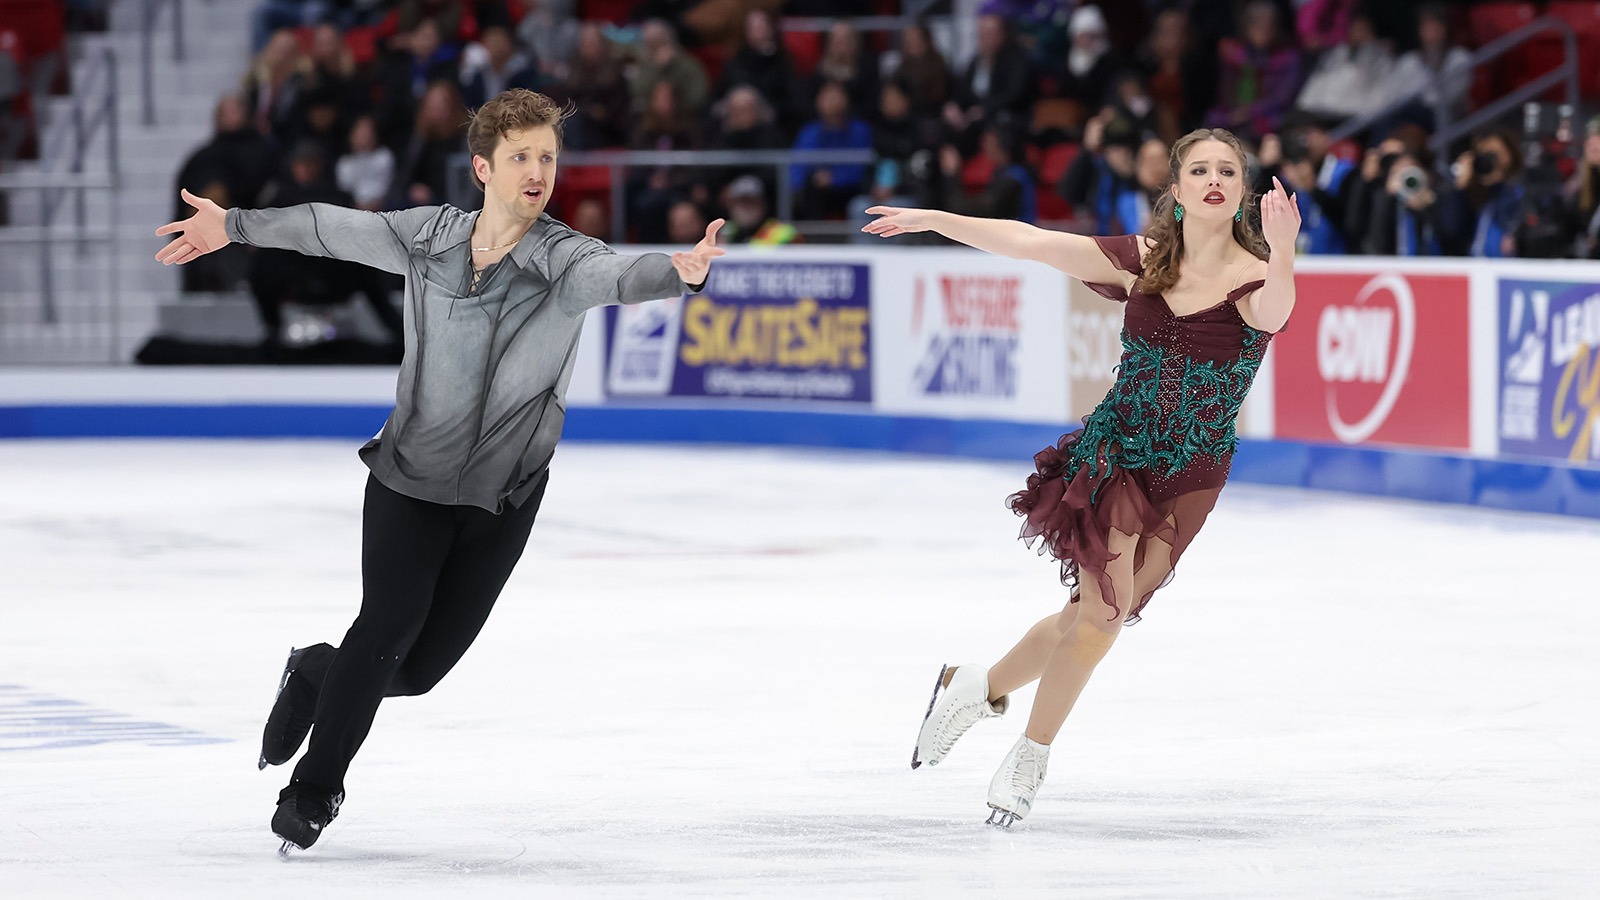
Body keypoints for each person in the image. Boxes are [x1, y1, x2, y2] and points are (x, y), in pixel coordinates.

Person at [153, 88, 726, 853]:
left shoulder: (566, 260)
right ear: (482, 166)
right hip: (408, 480)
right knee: (384, 630)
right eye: (521, 156)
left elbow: (620, 279)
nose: (537, 171)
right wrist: (234, 225)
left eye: (548, 157)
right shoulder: (427, 238)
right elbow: (333, 228)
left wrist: (679, 275)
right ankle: (312, 793)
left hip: (502, 499)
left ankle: (320, 672)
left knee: (415, 672)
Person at [862, 127, 1300, 826]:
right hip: (1116, 456)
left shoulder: (1256, 275)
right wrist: (938, 220)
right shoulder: (1146, 260)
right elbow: (1030, 242)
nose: (1214, 178)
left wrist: (1284, 253)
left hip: (1191, 478)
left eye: (1228, 170)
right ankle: (1030, 758)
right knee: (1101, 616)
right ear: (1178, 190)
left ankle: (975, 688)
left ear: (1243, 192)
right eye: (1199, 169)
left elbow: (1277, 312)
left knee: (1088, 616)